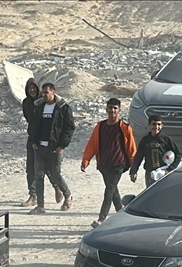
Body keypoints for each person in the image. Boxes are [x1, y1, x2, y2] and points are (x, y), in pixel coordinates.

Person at [81, 98, 137, 228]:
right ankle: (121, 217)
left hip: (118, 165)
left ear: (119, 111)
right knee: (114, 193)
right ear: (106, 109)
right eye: (110, 108)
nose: (112, 110)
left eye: (115, 108)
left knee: (109, 192)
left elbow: (131, 148)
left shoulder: (125, 128)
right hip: (104, 165)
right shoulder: (100, 127)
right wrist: (86, 160)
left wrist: (133, 168)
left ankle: (101, 219)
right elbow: (92, 145)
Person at [27, 82, 75, 214]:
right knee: (38, 175)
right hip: (39, 147)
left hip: (55, 148)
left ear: (53, 92)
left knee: (56, 174)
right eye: (42, 92)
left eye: (46, 92)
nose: (43, 95)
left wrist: (62, 145)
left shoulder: (63, 108)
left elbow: (69, 128)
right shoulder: (38, 107)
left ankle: (68, 195)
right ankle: (40, 205)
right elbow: (32, 125)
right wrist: (33, 141)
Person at [130, 114, 182, 187]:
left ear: (162, 125)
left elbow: (178, 154)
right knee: (150, 194)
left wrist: (170, 169)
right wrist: (134, 171)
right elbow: (138, 156)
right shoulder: (145, 140)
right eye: (154, 124)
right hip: (150, 172)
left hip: (163, 172)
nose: (156, 127)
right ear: (149, 125)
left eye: (159, 124)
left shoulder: (166, 139)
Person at [20, 78, 41, 207]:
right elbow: (29, 120)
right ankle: (33, 195)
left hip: (44, 139)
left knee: (49, 169)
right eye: (30, 88)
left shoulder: (43, 102)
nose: (32, 90)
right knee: (30, 168)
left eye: (34, 88)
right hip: (32, 137)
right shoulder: (26, 102)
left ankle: (59, 188)